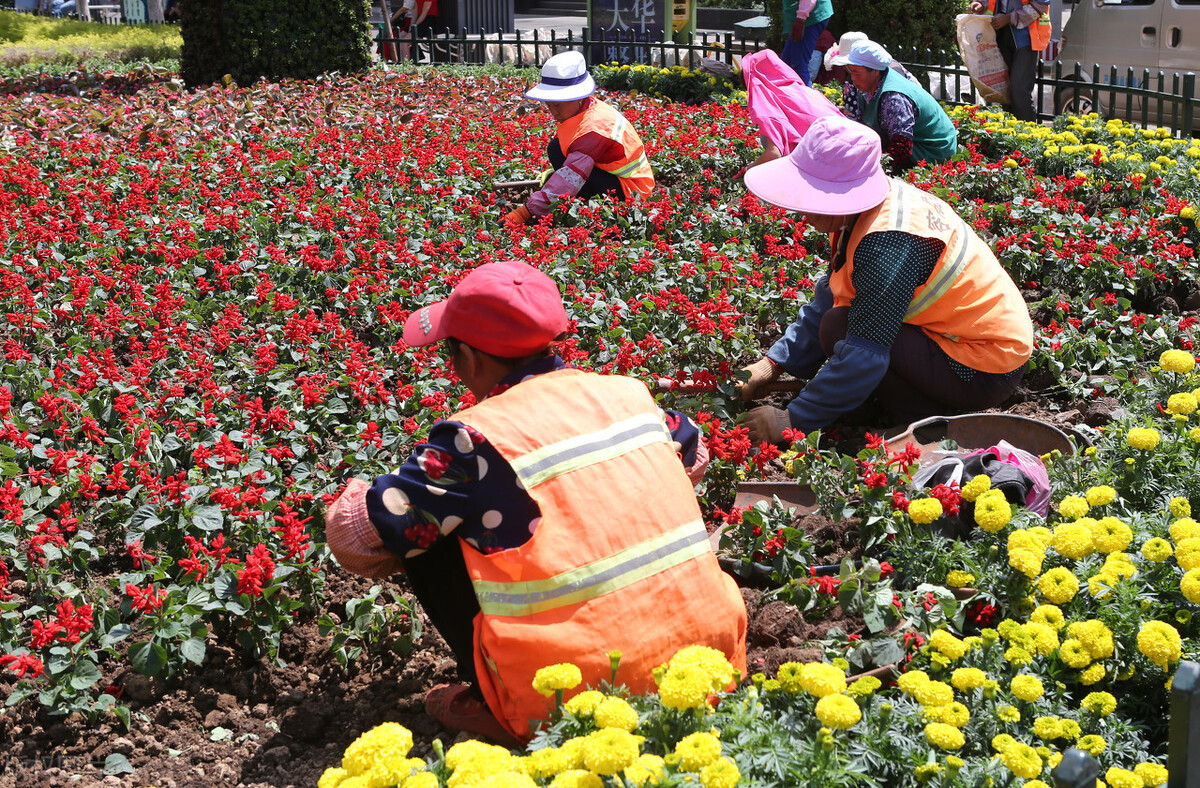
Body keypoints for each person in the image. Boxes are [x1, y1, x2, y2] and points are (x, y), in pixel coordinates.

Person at [324, 261, 748, 745]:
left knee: (420, 533)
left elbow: (358, 539)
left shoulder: (474, 439)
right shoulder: (633, 397)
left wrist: (359, 492)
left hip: (578, 695)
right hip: (712, 664)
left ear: (468, 357)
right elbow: (694, 454)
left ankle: (501, 706)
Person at [735, 116, 1033, 444]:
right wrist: (771, 365)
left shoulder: (887, 241)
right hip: (957, 342)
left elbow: (865, 354)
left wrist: (792, 419)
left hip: (981, 368)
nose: (802, 208)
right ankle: (889, 403)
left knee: (844, 331)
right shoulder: (862, 214)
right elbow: (835, 293)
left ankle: (925, 423)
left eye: (814, 191)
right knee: (838, 323)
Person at [503, 52, 655, 226]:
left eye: (558, 105)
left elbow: (572, 174)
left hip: (631, 194)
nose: (553, 112)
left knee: (561, 162)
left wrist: (526, 211)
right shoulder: (587, 106)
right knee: (556, 148)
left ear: (577, 98)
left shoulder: (594, 127)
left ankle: (591, 208)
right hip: (617, 179)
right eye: (549, 105)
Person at [838, 40, 958, 171]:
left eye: (857, 73)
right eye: (851, 72)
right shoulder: (866, 88)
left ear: (875, 71)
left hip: (931, 152)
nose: (853, 78)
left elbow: (901, 149)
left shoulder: (893, 98)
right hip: (907, 144)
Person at [732, 49, 842, 180]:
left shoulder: (769, 101)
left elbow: (774, 154)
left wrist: (747, 171)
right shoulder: (805, 91)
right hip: (852, 147)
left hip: (829, 164)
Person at [967, 0, 1051, 122]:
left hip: (1026, 40)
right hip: (1001, 36)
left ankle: (1028, 136)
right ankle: (1010, 135)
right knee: (1006, 93)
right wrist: (981, 4)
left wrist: (1009, 18)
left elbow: (1040, 5)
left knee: (1019, 92)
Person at [781, 0, 834, 86]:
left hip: (809, 18)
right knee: (786, 63)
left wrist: (801, 19)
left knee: (798, 65)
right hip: (805, 15)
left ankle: (807, 98)